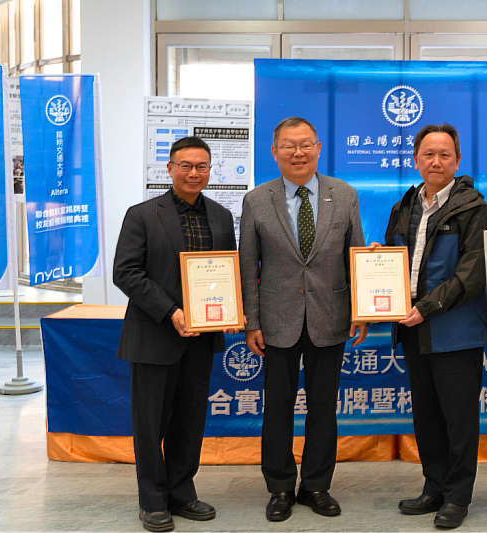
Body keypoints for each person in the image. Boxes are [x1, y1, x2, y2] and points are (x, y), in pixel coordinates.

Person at [239, 117, 369, 522]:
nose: (298, 152)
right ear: (274, 150)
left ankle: (316, 485)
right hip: (276, 321)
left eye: (306, 144)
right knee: (276, 408)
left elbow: (356, 254)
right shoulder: (258, 199)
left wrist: (361, 309)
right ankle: (279, 488)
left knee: (323, 408)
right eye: (289, 145)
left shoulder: (344, 194)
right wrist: (251, 321)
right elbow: (248, 265)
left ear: (318, 148)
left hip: (330, 317)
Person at [113, 136, 239, 532]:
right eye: (185, 165)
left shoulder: (220, 217)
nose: (194, 173)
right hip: (154, 335)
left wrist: (231, 308)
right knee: (150, 423)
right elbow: (126, 272)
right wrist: (170, 311)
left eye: (201, 166)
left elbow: (226, 272)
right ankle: (152, 499)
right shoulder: (142, 214)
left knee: (190, 419)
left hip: (202, 337)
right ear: (168, 169)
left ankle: (182, 492)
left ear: (210, 169)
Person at [377, 123, 487, 529]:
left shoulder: (474, 209)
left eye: (445, 154)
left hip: (455, 330)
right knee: (426, 414)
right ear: (415, 160)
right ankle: (434, 487)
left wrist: (426, 308)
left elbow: (471, 274)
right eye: (428, 154)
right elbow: (397, 258)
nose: (436, 161)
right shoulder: (405, 205)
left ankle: (458, 497)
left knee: (458, 417)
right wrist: (379, 259)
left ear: (457, 161)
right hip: (413, 327)